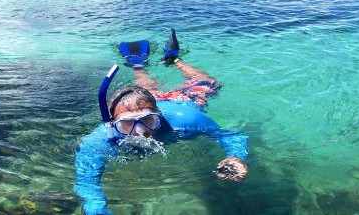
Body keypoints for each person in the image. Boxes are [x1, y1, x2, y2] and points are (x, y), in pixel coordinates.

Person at [74, 29, 249, 215]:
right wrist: (95, 206)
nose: (140, 131)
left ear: (159, 114)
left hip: (183, 100)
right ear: (112, 124)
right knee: (146, 87)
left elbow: (231, 136)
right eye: (127, 124)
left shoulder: (187, 120)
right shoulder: (100, 138)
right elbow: (86, 181)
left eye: (148, 120)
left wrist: (236, 157)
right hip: (147, 101)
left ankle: (174, 60)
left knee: (209, 83)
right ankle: (137, 65)